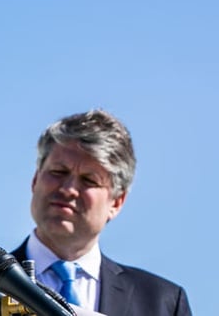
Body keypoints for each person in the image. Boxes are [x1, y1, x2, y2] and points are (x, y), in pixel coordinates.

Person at [12, 109, 191, 315]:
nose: (68, 189)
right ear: (35, 179)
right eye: (58, 172)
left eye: (89, 180)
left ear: (116, 202)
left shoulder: (161, 303)